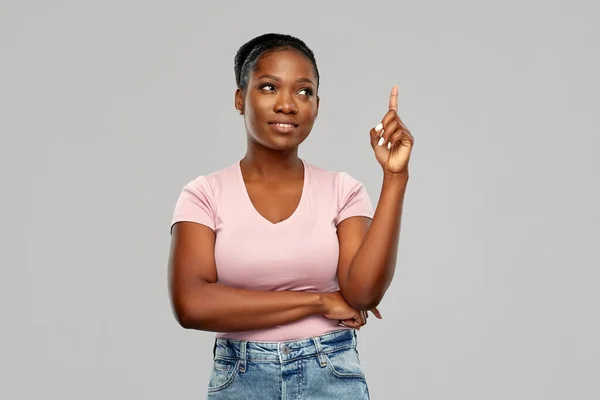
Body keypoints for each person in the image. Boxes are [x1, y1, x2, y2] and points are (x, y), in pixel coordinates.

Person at [167, 33, 414, 399]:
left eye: (304, 92)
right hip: (241, 377)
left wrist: (394, 177)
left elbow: (362, 293)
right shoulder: (205, 194)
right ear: (240, 98)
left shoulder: (342, 190)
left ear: (316, 104)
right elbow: (191, 305)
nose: (288, 104)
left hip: (331, 373)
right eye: (269, 87)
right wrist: (318, 301)